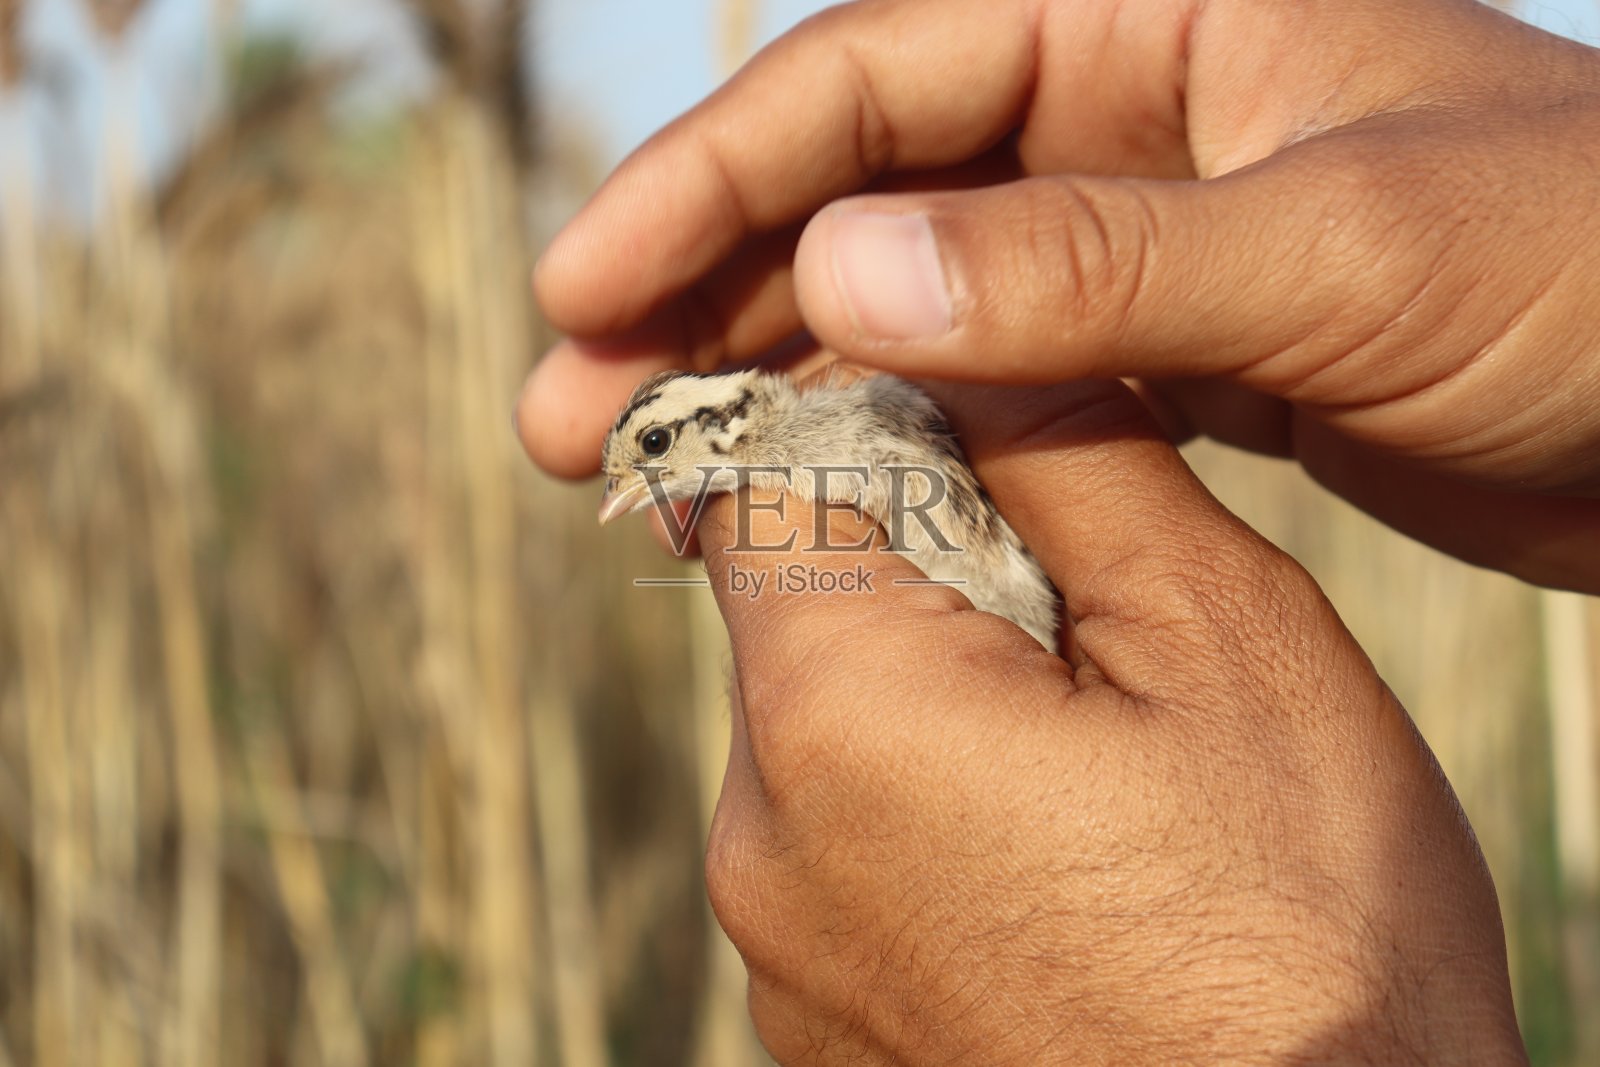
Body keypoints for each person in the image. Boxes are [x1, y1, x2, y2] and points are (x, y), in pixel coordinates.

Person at [515, 0, 1600, 1059]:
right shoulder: (799, 465)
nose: (645, 488)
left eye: (654, 457)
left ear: (724, 419)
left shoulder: (851, 416)